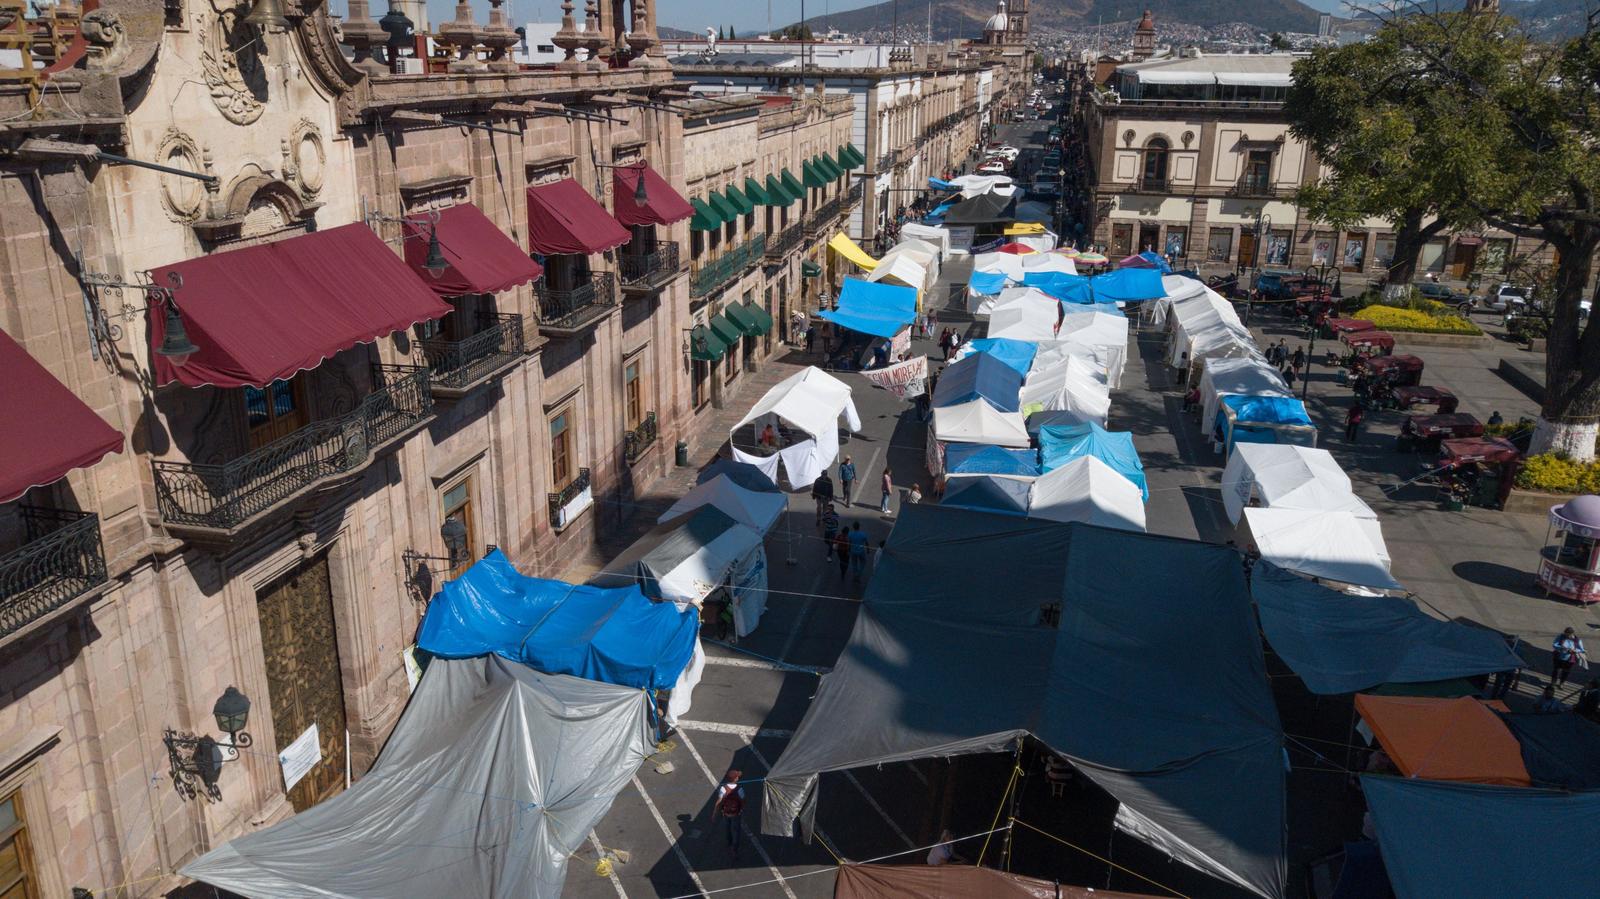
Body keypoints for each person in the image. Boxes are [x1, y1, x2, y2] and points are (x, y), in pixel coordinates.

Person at [713, 769, 745, 855]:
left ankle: (729, 842)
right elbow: (742, 801)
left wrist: (714, 813)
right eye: (737, 777)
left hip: (726, 813)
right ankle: (735, 848)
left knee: (727, 828)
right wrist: (741, 809)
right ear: (735, 779)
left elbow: (719, 802)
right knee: (736, 831)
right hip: (736, 814)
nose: (738, 778)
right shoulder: (739, 789)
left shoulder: (723, 788)